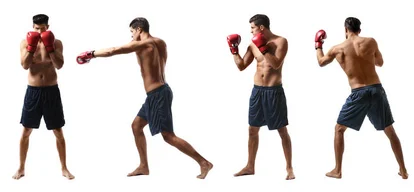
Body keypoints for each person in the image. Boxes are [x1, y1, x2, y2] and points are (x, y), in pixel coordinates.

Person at [76, 17, 213, 179]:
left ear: (139, 29)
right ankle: (143, 166)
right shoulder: (160, 42)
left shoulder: (142, 44)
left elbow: (112, 50)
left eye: (132, 32)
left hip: (158, 95)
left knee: (168, 136)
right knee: (136, 126)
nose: (131, 36)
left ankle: (203, 162)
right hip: (159, 92)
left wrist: (90, 54)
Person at [314, 17, 409, 179]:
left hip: (358, 92)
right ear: (360, 29)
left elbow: (321, 62)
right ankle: (404, 170)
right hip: (377, 89)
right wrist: (365, 58)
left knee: (339, 129)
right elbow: (380, 62)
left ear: (345, 30)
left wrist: (318, 45)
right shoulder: (371, 42)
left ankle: (337, 170)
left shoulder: (338, 49)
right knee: (390, 131)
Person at [226, 14, 295, 180]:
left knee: (282, 130)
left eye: (252, 28)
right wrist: (234, 50)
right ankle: (250, 166)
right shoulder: (252, 44)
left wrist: (263, 47)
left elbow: (276, 63)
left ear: (261, 27)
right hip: (257, 91)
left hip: (274, 92)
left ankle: (289, 168)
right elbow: (241, 66)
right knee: (252, 130)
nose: (250, 31)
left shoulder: (281, 41)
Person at [14, 14, 74, 180]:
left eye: (42, 28)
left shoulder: (56, 42)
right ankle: (21, 168)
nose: (39, 31)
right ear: (32, 27)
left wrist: (50, 47)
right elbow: (25, 65)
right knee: (26, 130)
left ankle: (64, 168)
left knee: (58, 130)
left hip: (51, 91)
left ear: (48, 26)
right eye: (36, 28)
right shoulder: (25, 42)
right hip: (33, 92)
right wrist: (31, 47)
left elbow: (59, 65)